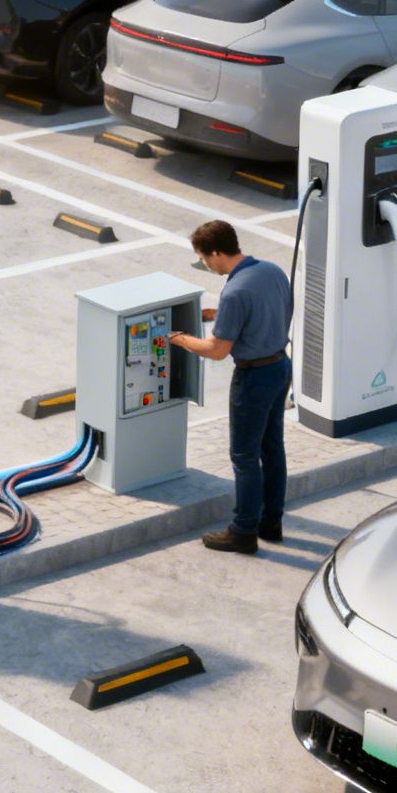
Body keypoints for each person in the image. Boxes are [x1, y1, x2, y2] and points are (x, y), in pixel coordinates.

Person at [169, 220, 291, 553]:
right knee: (273, 447)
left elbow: (217, 351)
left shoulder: (235, 292)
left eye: (205, 259)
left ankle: (243, 531)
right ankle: (271, 522)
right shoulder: (272, 271)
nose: (206, 265)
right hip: (281, 365)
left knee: (244, 456)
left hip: (253, 378)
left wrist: (181, 340)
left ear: (217, 253)